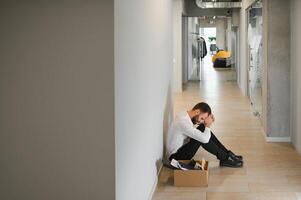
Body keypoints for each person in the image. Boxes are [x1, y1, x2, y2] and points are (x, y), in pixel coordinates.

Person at [167, 102, 243, 168]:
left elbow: (192, 127)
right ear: (197, 111)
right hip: (176, 157)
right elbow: (205, 139)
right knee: (203, 137)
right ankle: (226, 158)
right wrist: (208, 125)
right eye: (202, 118)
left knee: (203, 128)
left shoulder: (184, 114)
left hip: (181, 149)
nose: (202, 121)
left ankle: (227, 154)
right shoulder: (183, 122)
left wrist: (205, 125)